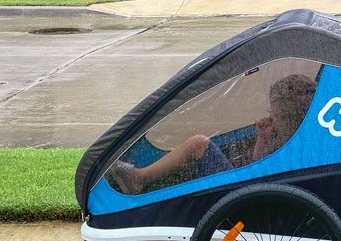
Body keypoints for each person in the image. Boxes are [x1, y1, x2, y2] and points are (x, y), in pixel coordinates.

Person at [107, 73, 316, 194]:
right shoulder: (295, 136)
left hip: (241, 192)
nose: (270, 116)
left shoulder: (289, 141)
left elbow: (258, 171)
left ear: (291, 117)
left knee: (198, 143)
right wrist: (262, 136)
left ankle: (139, 178)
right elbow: (258, 164)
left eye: (275, 114)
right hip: (248, 186)